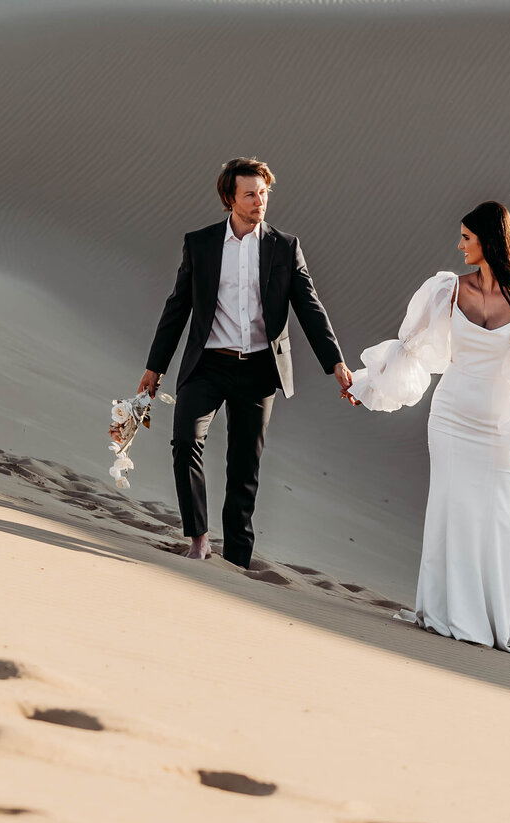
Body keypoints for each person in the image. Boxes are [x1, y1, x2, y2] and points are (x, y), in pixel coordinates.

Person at [346, 202, 510, 653]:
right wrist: (367, 382)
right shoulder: (447, 289)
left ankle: (494, 619)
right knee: (449, 508)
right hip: (450, 416)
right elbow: (412, 348)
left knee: (493, 516)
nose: (460, 246)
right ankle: (444, 612)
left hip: (499, 427)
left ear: (489, 242)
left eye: (467, 238)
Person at [139, 158, 352, 567]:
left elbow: (310, 307)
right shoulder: (200, 244)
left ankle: (236, 561)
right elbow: (177, 307)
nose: (260, 201)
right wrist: (155, 367)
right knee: (185, 442)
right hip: (207, 365)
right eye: (251, 194)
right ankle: (199, 538)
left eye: (265, 192)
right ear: (229, 199)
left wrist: (335, 364)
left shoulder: (285, 247)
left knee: (244, 470)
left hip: (257, 371)